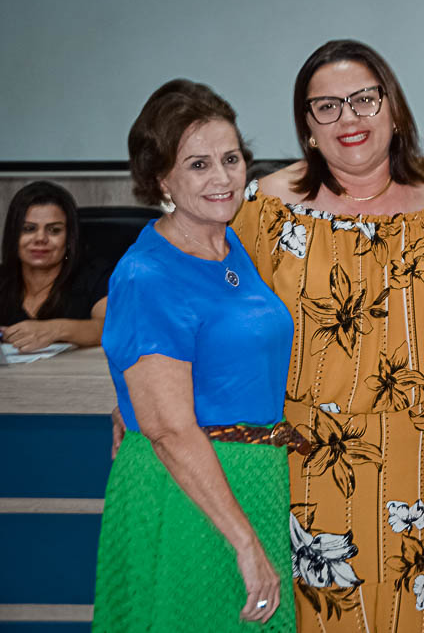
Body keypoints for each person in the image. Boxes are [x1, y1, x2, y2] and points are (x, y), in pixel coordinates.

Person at [229, 40, 424, 632]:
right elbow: (209, 311)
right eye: (327, 107)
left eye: (364, 99)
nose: (350, 119)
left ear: (393, 110)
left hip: (423, 464)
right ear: (307, 128)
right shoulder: (265, 207)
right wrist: (138, 392)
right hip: (305, 463)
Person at [93, 79, 297, 631]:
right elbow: (170, 431)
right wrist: (244, 542)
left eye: (230, 159)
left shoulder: (231, 245)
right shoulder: (148, 273)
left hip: (253, 480)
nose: (223, 177)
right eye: (199, 165)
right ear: (161, 178)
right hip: (191, 495)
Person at [0, 181, 109, 351]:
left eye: (54, 230)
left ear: (69, 238)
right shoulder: (3, 279)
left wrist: (55, 330)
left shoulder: (94, 276)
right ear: (13, 234)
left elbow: (109, 328)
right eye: (28, 229)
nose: (40, 238)